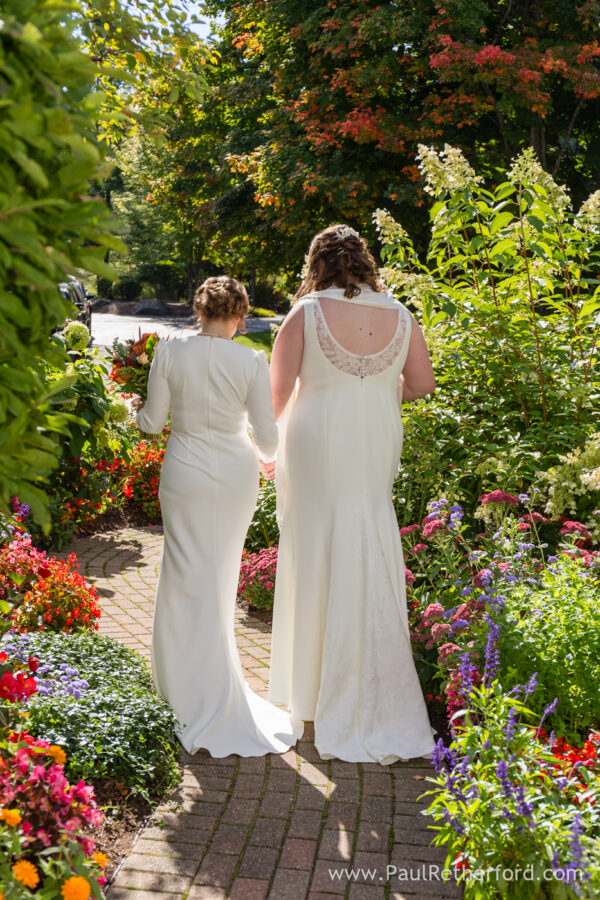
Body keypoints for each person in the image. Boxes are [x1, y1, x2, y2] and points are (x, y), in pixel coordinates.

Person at [268, 225, 436, 764]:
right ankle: (364, 684)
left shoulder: (306, 313)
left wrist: (262, 449)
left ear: (317, 264)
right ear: (364, 262)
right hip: (374, 439)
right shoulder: (401, 314)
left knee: (315, 544)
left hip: (316, 441)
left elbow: (276, 396)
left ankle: (312, 692)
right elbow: (422, 384)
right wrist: (378, 390)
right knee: (366, 532)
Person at [137, 276, 302, 757]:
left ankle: (177, 691)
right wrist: (270, 453)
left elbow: (152, 423)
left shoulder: (170, 352)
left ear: (199, 310)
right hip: (233, 475)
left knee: (180, 574)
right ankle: (213, 686)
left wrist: (131, 412)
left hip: (184, 471)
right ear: (240, 315)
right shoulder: (249, 360)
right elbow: (267, 437)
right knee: (220, 578)